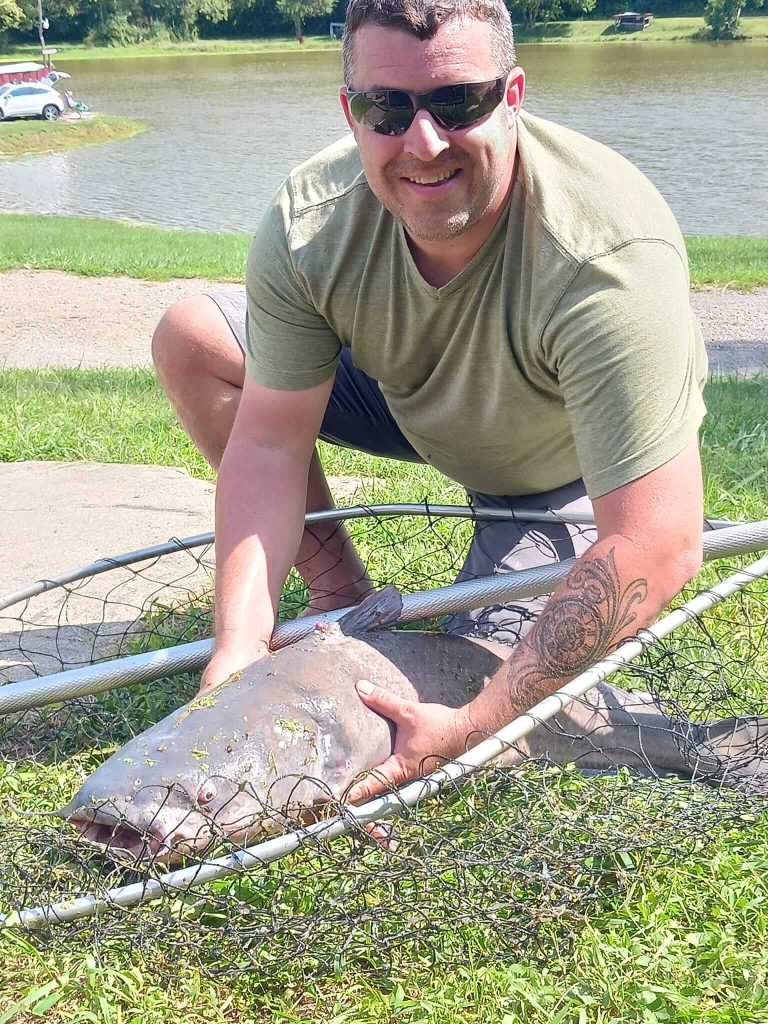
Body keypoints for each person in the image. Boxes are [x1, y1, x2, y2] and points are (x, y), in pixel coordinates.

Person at [152, 0, 707, 803]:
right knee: (193, 335)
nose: (424, 142)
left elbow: (657, 540)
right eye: (389, 108)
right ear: (352, 113)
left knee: (481, 670)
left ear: (512, 95)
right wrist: (238, 643)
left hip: (554, 464)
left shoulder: (607, 255)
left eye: (458, 102)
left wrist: (474, 724)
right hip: (410, 397)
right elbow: (270, 444)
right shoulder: (310, 221)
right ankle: (339, 594)